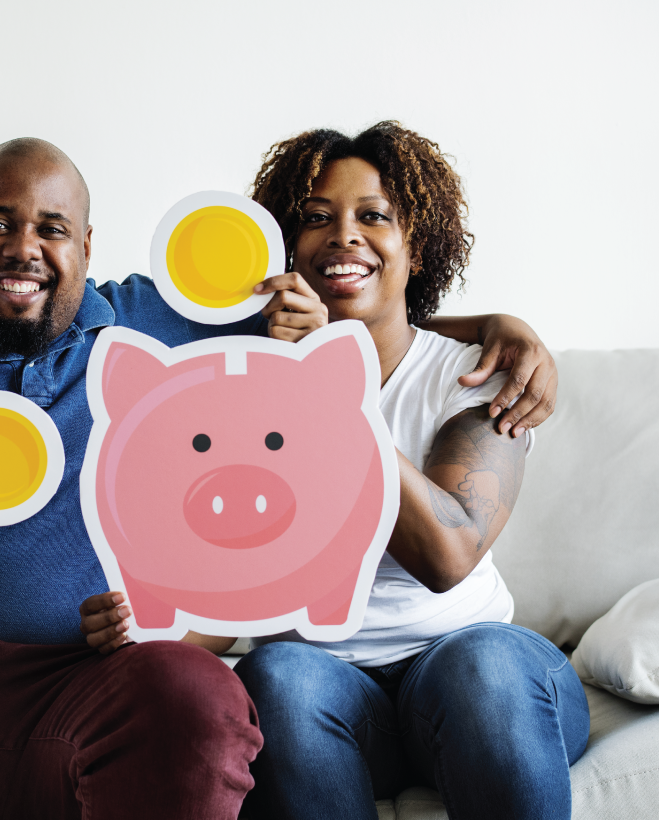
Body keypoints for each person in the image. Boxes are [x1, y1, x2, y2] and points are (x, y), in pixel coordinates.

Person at [0, 136, 557, 820]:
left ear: (88, 247)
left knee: (198, 691)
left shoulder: (170, 323)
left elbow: (358, 289)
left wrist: (505, 326)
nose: (24, 248)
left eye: (51, 228)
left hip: (89, 692)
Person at [228, 122, 587, 819]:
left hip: (481, 681)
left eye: (374, 216)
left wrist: (329, 392)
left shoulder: (478, 372)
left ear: (416, 246)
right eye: (315, 218)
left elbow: (447, 553)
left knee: (484, 665)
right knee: (277, 675)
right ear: (284, 247)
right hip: (330, 691)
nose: (344, 235)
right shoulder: (240, 380)